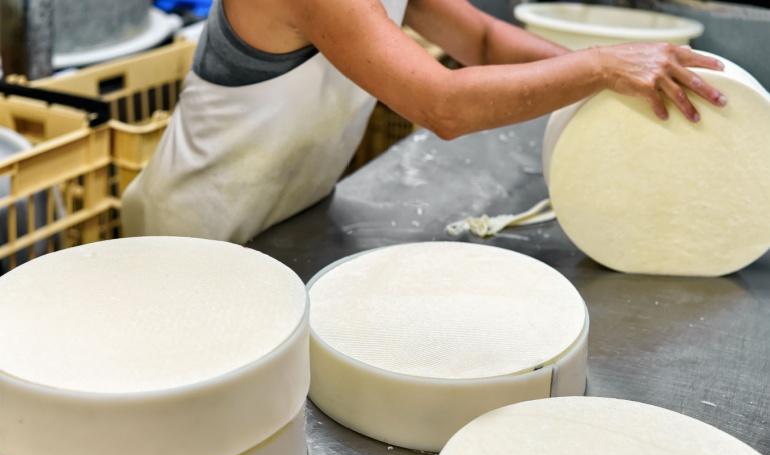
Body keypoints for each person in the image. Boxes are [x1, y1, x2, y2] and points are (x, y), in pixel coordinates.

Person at [122, 0, 726, 243]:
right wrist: (599, 68)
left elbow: (484, 40)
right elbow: (442, 104)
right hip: (192, 233)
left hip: (287, 217)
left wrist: (627, 79)